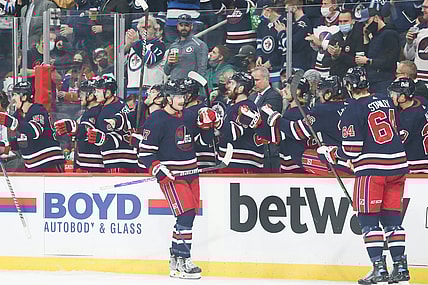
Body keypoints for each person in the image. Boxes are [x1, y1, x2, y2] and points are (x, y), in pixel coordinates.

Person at [317, 66, 410, 285]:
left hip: (373, 171)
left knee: (368, 221)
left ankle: (379, 268)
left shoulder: (352, 109)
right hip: (398, 166)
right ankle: (400, 267)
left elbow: (351, 150)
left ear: (349, 86)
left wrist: (329, 153)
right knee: (392, 221)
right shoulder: (385, 100)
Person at [137, 79, 218, 279]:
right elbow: (144, 155)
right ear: (167, 98)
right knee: (186, 214)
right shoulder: (156, 120)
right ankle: (184, 259)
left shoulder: (189, 117)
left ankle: (175, 258)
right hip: (173, 176)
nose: (182, 100)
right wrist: (158, 169)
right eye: (178, 96)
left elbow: (204, 144)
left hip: (192, 174)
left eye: (183, 96)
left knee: (187, 216)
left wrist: (208, 127)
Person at [0, 81, 65, 172]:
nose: (13, 99)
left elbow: (35, 131)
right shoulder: (17, 115)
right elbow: (14, 144)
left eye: (15, 95)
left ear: (24, 97)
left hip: (49, 162)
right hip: (32, 165)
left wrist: (11, 123)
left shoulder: (37, 109)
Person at [86, 75, 138, 172]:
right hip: (116, 159)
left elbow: (119, 135)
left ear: (108, 92)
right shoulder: (112, 105)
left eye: (98, 91)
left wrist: (103, 138)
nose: (95, 94)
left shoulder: (115, 108)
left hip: (120, 160)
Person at [217, 72, 264, 172]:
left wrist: (217, 121)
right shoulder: (233, 106)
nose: (228, 86)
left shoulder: (246, 108)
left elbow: (235, 132)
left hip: (241, 162)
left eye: (232, 83)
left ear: (241, 88)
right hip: (232, 160)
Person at [54, 79, 105, 172]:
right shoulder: (88, 112)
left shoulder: (96, 112)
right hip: (85, 162)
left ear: (90, 96)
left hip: (91, 165)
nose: (79, 97)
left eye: (82, 94)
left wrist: (73, 127)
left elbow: (86, 130)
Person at [355, 7, 400, 96]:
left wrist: (368, 61)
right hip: (372, 80)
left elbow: (391, 59)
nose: (366, 26)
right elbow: (368, 53)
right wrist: (365, 37)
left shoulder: (389, 34)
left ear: (376, 18)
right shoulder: (375, 35)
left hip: (384, 81)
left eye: (367, 22)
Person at [387, 77, 428, 174]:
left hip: (416, 164)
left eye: (393, 94)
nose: (391, 96)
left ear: (402, 98)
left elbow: (398, 143)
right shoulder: (421, 101)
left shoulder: (407, 118)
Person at [250, 66, 282, 171]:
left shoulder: (274, 95)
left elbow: (263, 117)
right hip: (254, 147)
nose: (254, 83)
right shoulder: (251, 97)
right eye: (252, 80)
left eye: (257, 80)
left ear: (267, 79)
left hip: (268, 148)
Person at [125, 15, 166, 98]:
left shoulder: (159, 44)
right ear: (139, 30)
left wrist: (136, 42)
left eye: (148, 27)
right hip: (132, 88)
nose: (145, 30)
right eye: (143, 27)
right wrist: (127, 45)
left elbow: (150, 60)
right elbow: (117, 63)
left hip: (150, 89)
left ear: (155, 29)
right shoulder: (134, 45)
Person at [164, 14, 208, 80]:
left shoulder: (199, 45)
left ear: (191, 26)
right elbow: (166, 71)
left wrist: (195, 86)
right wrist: (169, 63)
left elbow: (202, 70)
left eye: (186, 25)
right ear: (177, 26)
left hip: (189, 86)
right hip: (173, 84)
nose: (183, 28)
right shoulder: (173, 45)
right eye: (181, 25)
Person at [324, 9, 366, 78]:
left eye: (345, 21)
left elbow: (358, 62)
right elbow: (324, 62)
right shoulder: (335, 37)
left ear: (353, 21)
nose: (342, 24)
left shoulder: (359, 36)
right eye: (340, 21)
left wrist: (340, 55)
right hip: (335, 77)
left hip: (352, 78)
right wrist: (333, 57)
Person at [255, 0, 287, 86]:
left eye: (260, 13)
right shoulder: (261, 25)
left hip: (278, 69)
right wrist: (259, 56)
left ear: (268, 10)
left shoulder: (284, 22)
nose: (260, 16)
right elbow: (259, 43)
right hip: (264, 69)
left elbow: (283, 48)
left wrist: (271, 62)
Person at [404, 0, 428, 83]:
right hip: (419, 80)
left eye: (426, 7)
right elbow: (409, 56)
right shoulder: (417, 28)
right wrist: (409, 43)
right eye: (422, 7)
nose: (422, 10)